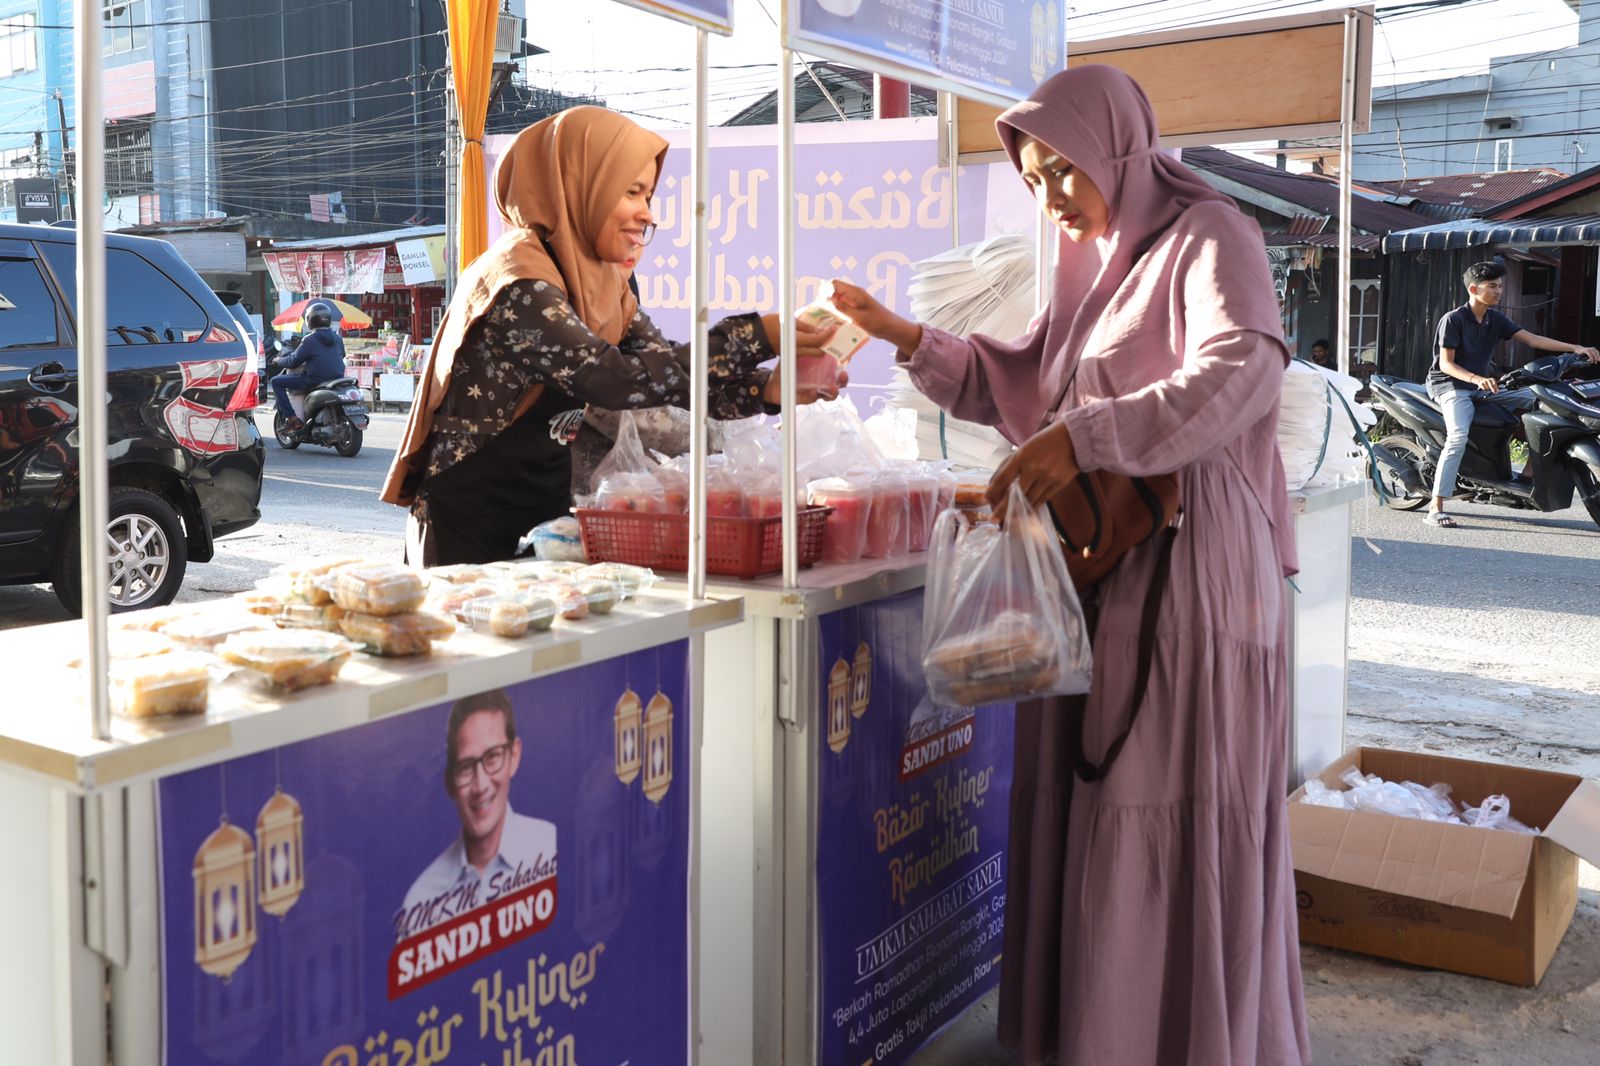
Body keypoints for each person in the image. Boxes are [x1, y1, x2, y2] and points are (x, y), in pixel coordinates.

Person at [831, 65, 1310, 1066]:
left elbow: (1243, 365)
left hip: (1192, 570)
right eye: (1035, 176)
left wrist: (1088, 436)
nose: (1051, 197)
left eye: (1065, 171)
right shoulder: (1085, 264)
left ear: (1121, 153)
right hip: (1095, 576)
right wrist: (899, 333)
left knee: (1158, 803)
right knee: (1089, 800)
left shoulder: (1209, 235)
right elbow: (1020, 382)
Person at [380, 105, 836, 565]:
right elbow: (614, 379)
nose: (647, 215)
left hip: (543, 512)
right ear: (581, 186)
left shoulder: (602, 285)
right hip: (468, 522)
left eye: (649, 196)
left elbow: (667, 373)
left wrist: (767, 388)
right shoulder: (518, 283)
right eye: (633, 192)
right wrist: (754, 335)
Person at [1425, 260, 1599, 527]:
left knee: (1545, 400)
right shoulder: (1453, 320)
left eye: (1501, 286)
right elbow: (1446, 365)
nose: (1499, 291)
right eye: (1492, 286)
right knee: (1458, 437)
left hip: (1484, 386)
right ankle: (1435, 507)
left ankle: (1530, 471)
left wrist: (1575, 347)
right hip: (1450, 387)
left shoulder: (1495, 318)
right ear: (1473, 289)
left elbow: (1531, 339)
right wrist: (1476, 379)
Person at [395, 690, 557, 941]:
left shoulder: (551, 847)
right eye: (466, 768)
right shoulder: (421, 901)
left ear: (514, 756)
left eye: (493, 757)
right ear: (449, 783)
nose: (481, 785)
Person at [271, 299, 346, 431]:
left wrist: (278, 360)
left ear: (310, 320)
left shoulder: (310, 339)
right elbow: (342, 355)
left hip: (315, 379)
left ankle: (292, 419)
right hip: (336, 378)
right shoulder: (337, 338)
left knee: (276, 381)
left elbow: (293, 361)